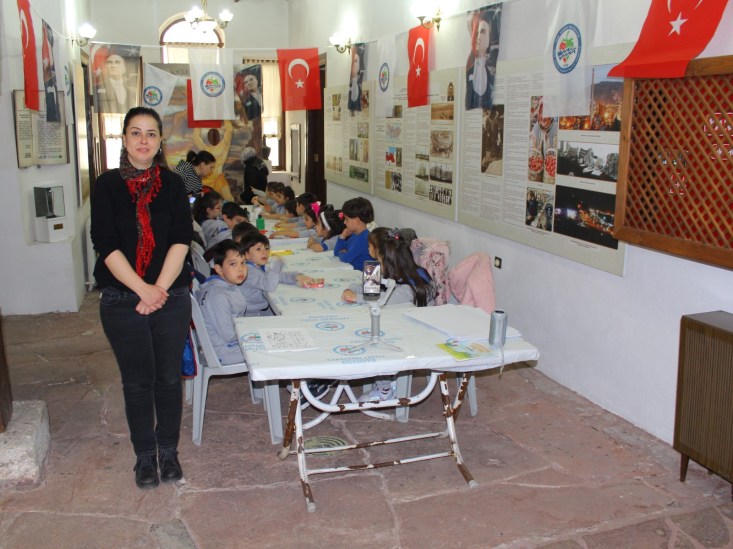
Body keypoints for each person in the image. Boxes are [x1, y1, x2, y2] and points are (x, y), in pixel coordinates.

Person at [91, 106, 192, 489]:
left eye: (151, 133)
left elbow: (181, 238)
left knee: (168, 379)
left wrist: (158, 291)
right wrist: (142, 289)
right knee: (136, 383)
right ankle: (145, 457)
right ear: (124, 138)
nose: (144, 140)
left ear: (160, 140)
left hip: (171, 297)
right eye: (136, 132)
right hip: (122, 300)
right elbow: (105, 243)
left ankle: (168, 451)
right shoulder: (106, 185)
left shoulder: (174, 184)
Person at [341, 228, 435, 401]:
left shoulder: (409, 285)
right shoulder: (386, 267)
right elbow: (369, 288)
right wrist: (352, 289)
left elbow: (384, 301)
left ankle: (385, 388)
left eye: (370, 245)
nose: (367, 248)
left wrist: (358, 298)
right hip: (401, 322)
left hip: (416, 332)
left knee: (376, 338)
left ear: (380, 252)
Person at [238, 232, 321, 316]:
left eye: (266, 248)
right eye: (258, 249)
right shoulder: (249, 271)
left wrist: (297, 276)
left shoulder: (256, 266)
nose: (264, 252)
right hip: (251, 314)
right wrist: (276, 265)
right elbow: (269, 285)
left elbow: (278, 276)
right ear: (246, 255)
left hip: (261, 309)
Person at [195, 240, 249, 365]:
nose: (240, 269)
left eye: (243, 263)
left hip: (228, 344)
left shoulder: (227, 285)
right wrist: (254, 331)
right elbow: (229, 335)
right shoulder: (218, 296)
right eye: (233, 264)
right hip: (221, 352)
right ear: (219, 269)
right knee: (271, 350)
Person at [192, 120, 235, 202]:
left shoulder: (224, 145)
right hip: (205, 180)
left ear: (218, 136)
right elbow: (195, 136)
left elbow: (229, 130)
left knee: (230, 200)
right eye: (211, 135)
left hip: (218, 178)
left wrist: (225, 117)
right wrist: (200, 120)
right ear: (208, 138)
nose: (213, 137)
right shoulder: (206, 148)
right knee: (201, 201)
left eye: (215, 135)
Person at [465, 8, 499, 110]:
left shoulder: (491, 74)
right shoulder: (469, 71)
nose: (478, 37)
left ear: (489, 39)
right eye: (477, 32)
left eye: (483, 32)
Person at [95, 46, 139, 114]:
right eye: (109, 62)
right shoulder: (97, 88)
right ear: (105, 67)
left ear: (124, 67)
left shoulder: (134, 90)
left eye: (117, 62)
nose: (113, 66)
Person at [334, 197, 375, 269]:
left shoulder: (364, 238)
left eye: (346, 219)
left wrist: (342, 252)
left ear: (356, 220)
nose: (344, 222)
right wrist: (342, 237)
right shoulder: (354, 235)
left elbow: (346, 258)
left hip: (361, 273)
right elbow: (336, 252)